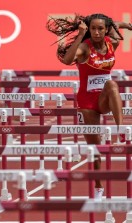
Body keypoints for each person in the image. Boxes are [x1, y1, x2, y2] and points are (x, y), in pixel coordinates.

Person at [46, 13, 132, 200]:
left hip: (104, 98)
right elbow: (68, 60)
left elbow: (113, 23)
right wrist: (79, 35)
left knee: (112, 84)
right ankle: (98, 186)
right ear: (88, 29)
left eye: (100, 28)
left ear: (106, 29)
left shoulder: (112, 42)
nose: (96, 32)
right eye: (92, 28)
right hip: (87, 103)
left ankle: (122, 131)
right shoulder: (84, 48)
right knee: (95, 150)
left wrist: (125, 24)